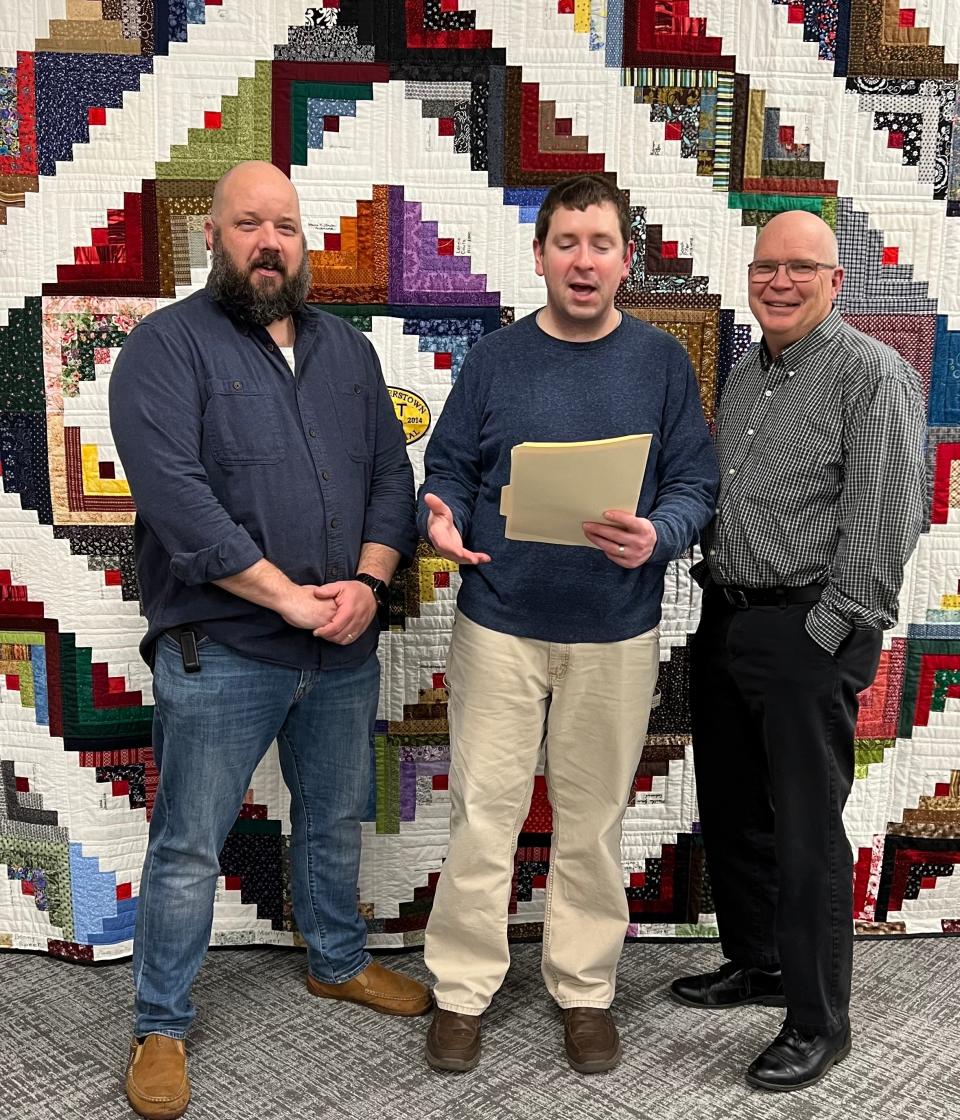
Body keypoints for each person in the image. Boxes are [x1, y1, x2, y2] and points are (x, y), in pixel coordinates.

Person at [109, 160, 430, 1120]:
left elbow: (388, 478)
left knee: (332, 819)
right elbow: (179, 505)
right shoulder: (162, 350)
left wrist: (370, 583)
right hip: (223, 649)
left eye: (284, 225)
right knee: (187, 848)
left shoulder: (349, 351)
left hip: (342, 646)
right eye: (248, 223)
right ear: (211, 236)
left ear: (304, 241)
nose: (268, 242)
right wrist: (288, 599)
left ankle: (334, 962)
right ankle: (160, 1023)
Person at [417, 174, 718, 1074]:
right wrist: (440, 514)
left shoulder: (661, 363)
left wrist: (658, 536)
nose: (582, 261)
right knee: (483, 815)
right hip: (499, 623)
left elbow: (695, 484)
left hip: (616, 630)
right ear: (541, 254)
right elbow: (450, 465)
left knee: (591, 821)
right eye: (566, 243)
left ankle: (584, 990)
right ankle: (463, 989)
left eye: (600, 244)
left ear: (627, 260)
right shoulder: (495, 358)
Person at [670, 210, 926, 1091]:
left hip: (808, 630)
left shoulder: (872, 374)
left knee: (807, 830)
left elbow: (890, 513)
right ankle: (758, 963)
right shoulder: (748, 373)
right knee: (736, 809)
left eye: (800, 269)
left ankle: (819, 1020)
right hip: (729, 619)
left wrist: (830, 629)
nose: (779, 282)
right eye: (765, 267)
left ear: (836, 282)